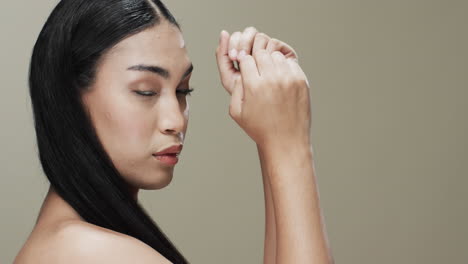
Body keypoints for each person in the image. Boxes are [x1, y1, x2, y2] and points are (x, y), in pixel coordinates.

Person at [14, 0, 334, 263]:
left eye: (183, 90)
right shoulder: (84, 251)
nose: (176, 121)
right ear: (69, 98)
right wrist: (289, 144)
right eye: (146, 91)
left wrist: (272, 134)